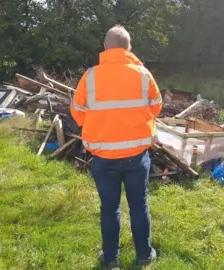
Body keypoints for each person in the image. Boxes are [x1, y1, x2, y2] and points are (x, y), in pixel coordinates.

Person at [70, 25, 163, 270]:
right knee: (139, 205)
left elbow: (77, 114)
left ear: (105, 48)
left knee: (109, 209)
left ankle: (110, 260)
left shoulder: (90, 76)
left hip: (103, 157)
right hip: (136, 156)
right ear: (129, 48)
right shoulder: (143, 74)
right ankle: (144, 256)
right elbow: (156, 107)